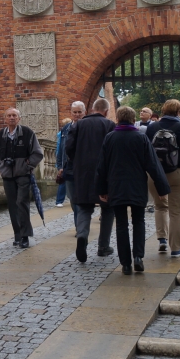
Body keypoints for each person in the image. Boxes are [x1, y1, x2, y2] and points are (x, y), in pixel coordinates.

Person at [97, 106, 170, 275]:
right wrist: (161, 188)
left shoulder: (110, 138)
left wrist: (102, 189)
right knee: (138, 221)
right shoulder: (141, 138)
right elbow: (152, 164)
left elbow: (102, 166)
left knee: (121, 224)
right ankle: (138, 256)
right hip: (137, 185)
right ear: (133, 119)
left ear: (118, 119)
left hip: (116, 185)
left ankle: (125, 263)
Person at [146, 99, 180, 258]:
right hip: (178, 172)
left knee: (160, 207)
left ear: (163, 110)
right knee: (176, 212)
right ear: (178, 112)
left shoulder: (152, 128)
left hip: (156, 174)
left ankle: (162, 239)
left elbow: (146, 152)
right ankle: (176, 249)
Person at [65, 98, 116, 262]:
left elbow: (68, 147)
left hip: (82, 172)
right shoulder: (109, 125)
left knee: (84, 207)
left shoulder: (78, 125)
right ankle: (103, 246)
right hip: (104, 172)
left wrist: (77, 161)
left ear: (92, 109)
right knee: (108, 208)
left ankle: (82, 235)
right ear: (106, 111)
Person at [0, 107, 44, 248]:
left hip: (23, 175)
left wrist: (27, 165)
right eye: (9, 115)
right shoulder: (0, 135)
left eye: (14, 115)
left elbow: (38, 153)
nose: (12, 118)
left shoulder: (27, 133)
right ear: (5, 119)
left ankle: (25, 235)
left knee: (22, 203)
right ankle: (17, 234)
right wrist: (2, 167)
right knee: (12, 205)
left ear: (19, 118)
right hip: (7, 176)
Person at [55, 102, 86, 207]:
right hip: (68, 168)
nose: (77, 115)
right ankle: (78, 216)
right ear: (71, 113)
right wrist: (60, 166)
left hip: (84, 168)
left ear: (84, 112)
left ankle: (80, 217)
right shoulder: (66, 128)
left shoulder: (88, 127)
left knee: (82, 198)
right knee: (72, 198)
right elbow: (61, 148)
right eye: (75, 112)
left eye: (79, 112)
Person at [54, 118, 72, 207]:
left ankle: (60, 200)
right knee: (63, 180)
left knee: (65, 181)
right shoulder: (62, 134)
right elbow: (60, 148)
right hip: (65, 160)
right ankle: (59, 200)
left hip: (66, 160)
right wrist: (59, 165)